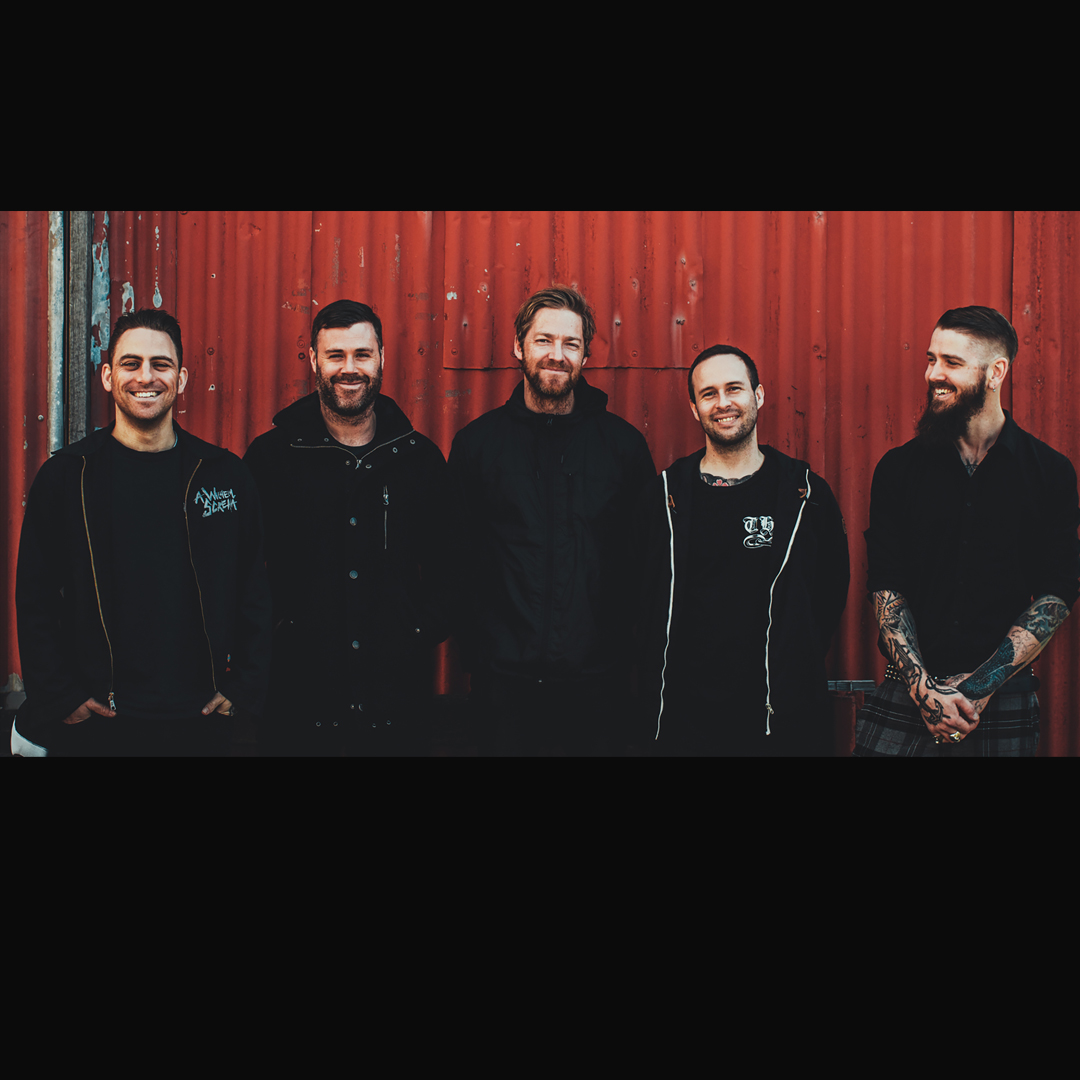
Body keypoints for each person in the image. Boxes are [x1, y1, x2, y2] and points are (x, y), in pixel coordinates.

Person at [12, 308, 271, 757]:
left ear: (182, 378)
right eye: (131, 364)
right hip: (99, 721)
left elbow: (257, 588)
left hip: (200, 720)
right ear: (109, 376)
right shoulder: (66, 477)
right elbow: (34, 598)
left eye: (161, 364)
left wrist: (245, 686)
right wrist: (61, 696)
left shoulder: (224, 476)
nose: (145, 377)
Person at [854, 305, 1080, 756]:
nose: (933, 373)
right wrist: (926, 693)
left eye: (951, 363)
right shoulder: (899, 469)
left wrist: (980, 685)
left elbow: (1056, 591)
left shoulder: (1049, 473)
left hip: (1002, 697)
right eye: (931, 358)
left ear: (996, 372)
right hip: (908, 689)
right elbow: (885, 585)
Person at [447, 285, 655, 755]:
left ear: (585, 355)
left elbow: (645, 561)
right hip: (502, 686)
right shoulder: (478, 446)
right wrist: (481, 648)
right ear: (519, 347)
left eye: (571, 344)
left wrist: (622, 650)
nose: (556, 355)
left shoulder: (622, 448)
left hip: (597, 685)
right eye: (543, 341)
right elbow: (455, 556)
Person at [243, 299, 454, 756]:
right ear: (315, 360)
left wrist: (414, 633)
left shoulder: (418, 459)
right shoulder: (271, 458)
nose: (349, 368)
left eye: (362, 354)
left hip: (395, 706)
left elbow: (450, 566)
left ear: (380, 358)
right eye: (336, 355)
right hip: (296, 703)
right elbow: (241, 569)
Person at [634, 345, 850, 756]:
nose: (723, 403)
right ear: (695, 408)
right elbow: (639, 599)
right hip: (685, 723)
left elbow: (829, 591)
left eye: (734, 388)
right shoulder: (664, 496)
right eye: (709, 393)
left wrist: (792, 660)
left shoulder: (803, 493)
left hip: (781, 721)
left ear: (759, 395)